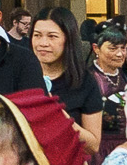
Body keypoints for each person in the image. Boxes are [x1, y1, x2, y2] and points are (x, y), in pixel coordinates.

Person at [30, 12, 105, 149]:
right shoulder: (22, 75)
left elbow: (93, 146)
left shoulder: (85, 82)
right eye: (37, 35)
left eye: (52, 36)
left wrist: (63, 120)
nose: (43, 43)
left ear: (68, 39)